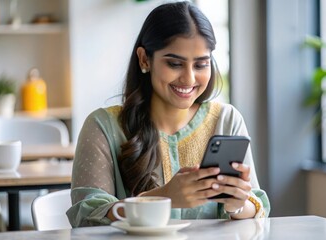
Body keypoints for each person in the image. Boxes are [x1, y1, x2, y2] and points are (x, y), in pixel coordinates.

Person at [66, 1, 270, 227]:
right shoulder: (103, 126)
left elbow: (257, 207)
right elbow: (86, 216)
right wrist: (164, 198)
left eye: (201, 64)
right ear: (144, 59)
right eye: (175, 64)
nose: (189, 78)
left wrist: (238, 205)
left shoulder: (227, 119)